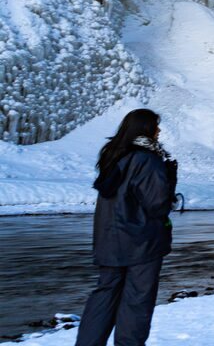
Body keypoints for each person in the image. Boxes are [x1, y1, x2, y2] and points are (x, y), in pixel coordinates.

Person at [76, 108, 178, 346]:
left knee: (104, 297)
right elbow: (157, 204)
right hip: (141, 243)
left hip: (109, 241)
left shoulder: (113, 155)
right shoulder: (147, 159)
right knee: (137, 302)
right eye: (156, 126)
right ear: (146, 129)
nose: (159, 130)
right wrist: (169, 178)